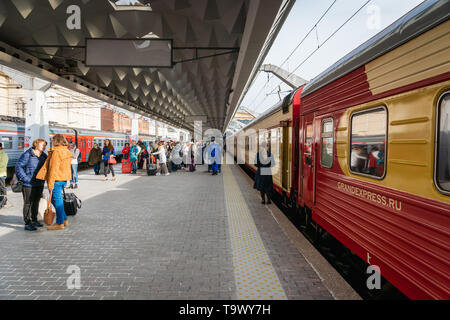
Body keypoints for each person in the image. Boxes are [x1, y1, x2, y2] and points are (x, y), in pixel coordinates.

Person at [36, 134, 72, 230]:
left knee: (57, 201)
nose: (51, 142)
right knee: (54, 200)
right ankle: (64, 219)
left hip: (56, 179)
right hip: (63, 179)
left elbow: (53, 169)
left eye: (53, 140)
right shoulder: (66, 151)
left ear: (56, 141)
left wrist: (50, 183)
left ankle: (59, 223)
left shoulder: (56, 152)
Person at [15, 139, 48, 231]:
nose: (44, 147)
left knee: (36, 202)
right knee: (28, 203)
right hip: (28, 184)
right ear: (36, 144)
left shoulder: (44, 156)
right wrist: (25, 178)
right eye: (42, 145)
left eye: (45, 145)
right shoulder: (28, 154)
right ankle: (27, 223)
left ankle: (34, 220)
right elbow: (18, 166)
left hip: (39, 183)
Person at [0, 142, 8, 207]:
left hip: (1, 174)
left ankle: (4, 200)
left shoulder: (4, 155)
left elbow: (2, 164)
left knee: (2, 187)